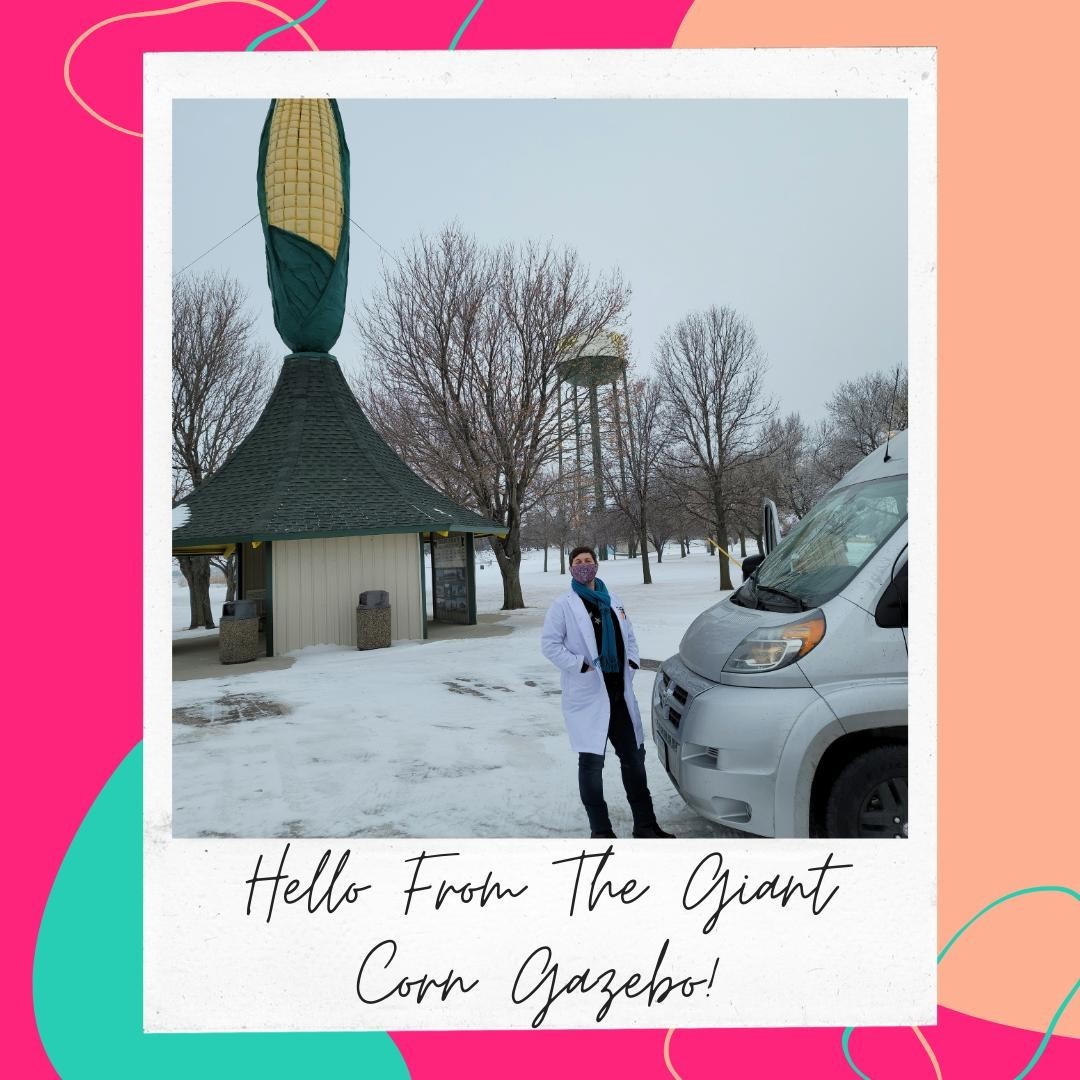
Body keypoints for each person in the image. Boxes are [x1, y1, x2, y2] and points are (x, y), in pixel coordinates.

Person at [541, 545, 675, 839]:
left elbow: (630, 636)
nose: (584, 565)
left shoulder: (613, 600)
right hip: (588, 697)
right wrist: (580, 666)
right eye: (578, 562)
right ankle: (601, 831)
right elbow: (550, 644)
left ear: (597, 565)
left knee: (634, 758)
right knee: (591, 763)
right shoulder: (563, 605)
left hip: (619, 695)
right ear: (571, 568)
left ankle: (645, 824)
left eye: (588, 560)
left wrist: (632, 660)